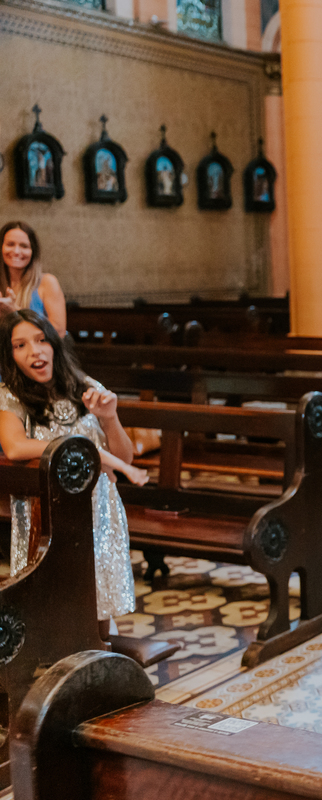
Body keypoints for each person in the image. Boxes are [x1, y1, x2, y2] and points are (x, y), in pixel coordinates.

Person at [0, 310, 149, 631]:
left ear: (54, 345)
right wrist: (80, 447)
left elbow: (125, 456)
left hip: (98, 506)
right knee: (52, 598)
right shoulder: (10, 397)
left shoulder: (86, 387)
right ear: (10, 355)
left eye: (41, 341)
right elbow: (14, 447)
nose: (35, 351)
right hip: (48, 511)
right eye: (20, 345)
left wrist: (109, 418)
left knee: (99, 599)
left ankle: (102, 663)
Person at [0, 222, 67, 334]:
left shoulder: (47, 282)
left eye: (24, 246)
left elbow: (59, 332)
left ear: (33, 251)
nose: (16, 251)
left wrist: (15, 312)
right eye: (10, 244)